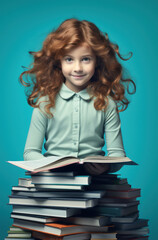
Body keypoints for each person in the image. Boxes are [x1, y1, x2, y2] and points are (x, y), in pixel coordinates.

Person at [19, 18, 136, 175]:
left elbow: (118, 155)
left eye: (85, 59)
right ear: (58, 62)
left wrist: (107, 166)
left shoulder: (107, 104)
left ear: (97, 62)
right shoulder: (44, 102)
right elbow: (30, 152)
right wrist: (45, 165)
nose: (78, 68)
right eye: (69, 59)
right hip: (52, 183)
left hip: (93, 185)